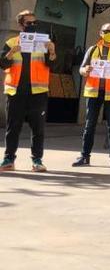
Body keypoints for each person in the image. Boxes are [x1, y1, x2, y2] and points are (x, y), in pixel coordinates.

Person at [0, 10, 56, 172]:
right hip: (15, 92)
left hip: (38, 92)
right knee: (13, 127)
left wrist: (51, 51)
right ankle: (8, 159)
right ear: (21, 25)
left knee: (38, 128)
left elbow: (51, 65)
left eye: (34, 23)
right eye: (28, 23)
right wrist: (12, 52)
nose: (32, 26)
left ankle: (37, 160)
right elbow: (3, 64)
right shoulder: (11, 42)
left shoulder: (44, 43)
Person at [73, 23, 110, 168]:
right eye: (106, 31)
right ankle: (84, 156)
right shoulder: (92, 49)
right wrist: (85, 70)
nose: (109, 33)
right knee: (89, 125)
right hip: (93, 91)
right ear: (100, 32)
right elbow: (81, 68)